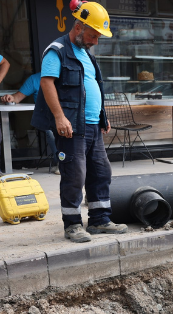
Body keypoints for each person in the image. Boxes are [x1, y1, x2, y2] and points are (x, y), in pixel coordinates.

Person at [31, 0, 127, 243]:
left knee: (100, 171)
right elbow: (47, 82)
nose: (96, 41)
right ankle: (72, 225)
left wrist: (102, 116)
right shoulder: (57, 50)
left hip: (92, 126)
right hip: (72, 126)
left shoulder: (86, 54)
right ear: (79, 27)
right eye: (94, 35)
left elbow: (93, 88)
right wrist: (60, 117)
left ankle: (99, 220)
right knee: (74, 175)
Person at [2, 73, 59, 174]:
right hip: (48, 119)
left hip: (69, 116)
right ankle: (61, 163)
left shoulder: (67, 76)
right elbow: (17, 97)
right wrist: (10, 98)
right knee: (52, 132)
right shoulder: (35, 79)